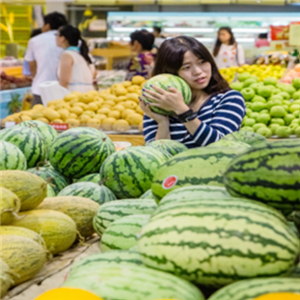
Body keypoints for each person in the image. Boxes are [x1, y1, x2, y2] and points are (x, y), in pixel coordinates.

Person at [140, 36, 245, 148]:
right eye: (186, 67)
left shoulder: (229, 98)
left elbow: (221, 145)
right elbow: (155, 156)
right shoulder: (159, 104)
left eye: (202, 62)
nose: (198, 72)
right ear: (170, 73)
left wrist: (182, 111)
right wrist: (163, 123)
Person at [25, 12, 68, 106]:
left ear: (47, 25)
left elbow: (32, 66)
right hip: (66, 90)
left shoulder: (34, 40)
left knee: (38, 118)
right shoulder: (70, 40)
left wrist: (38, 76)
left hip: (40, 88)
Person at [55, 25, 96, 93]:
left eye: (56, 34)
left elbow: (64, 81)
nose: (55, 37)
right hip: (90, 93)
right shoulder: (85, 54)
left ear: (62, 38)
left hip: (73, 93)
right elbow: (94, 74)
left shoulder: (67, 55)